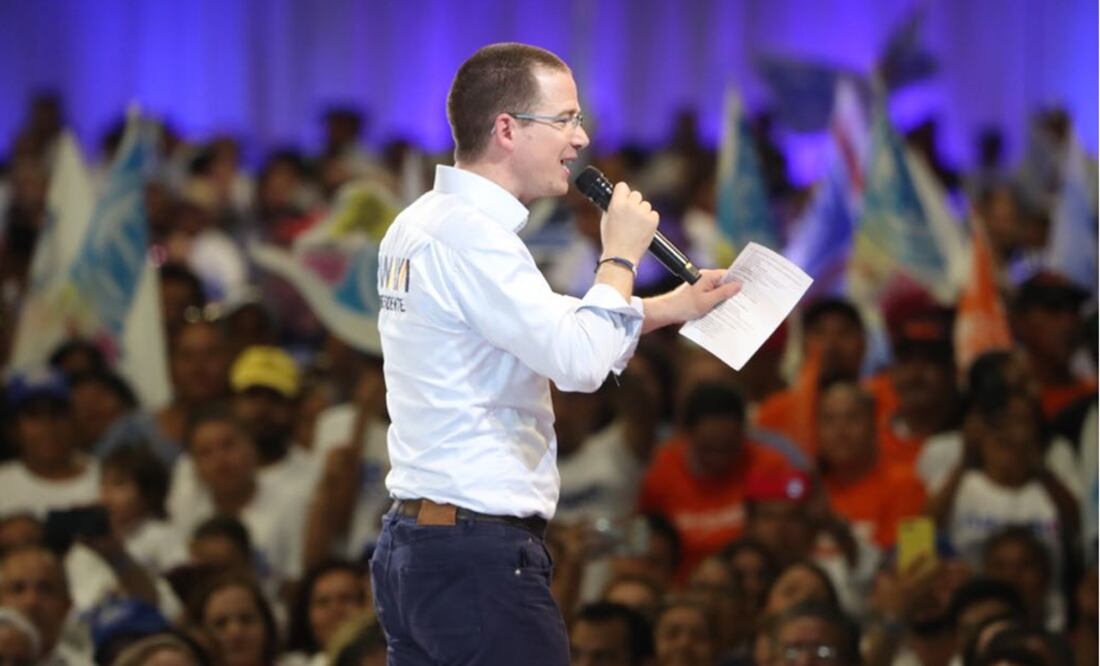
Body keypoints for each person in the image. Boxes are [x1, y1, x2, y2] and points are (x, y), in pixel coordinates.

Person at [370, 42, 740, 666]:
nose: (582, 136)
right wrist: (619, 254)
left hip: (421, 549)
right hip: (475, 553)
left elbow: (545, 329)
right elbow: (579, 363)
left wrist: (672, 307)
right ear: (507, 129)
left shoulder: (425, 221)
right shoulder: (472, 239)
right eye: (565, 119)